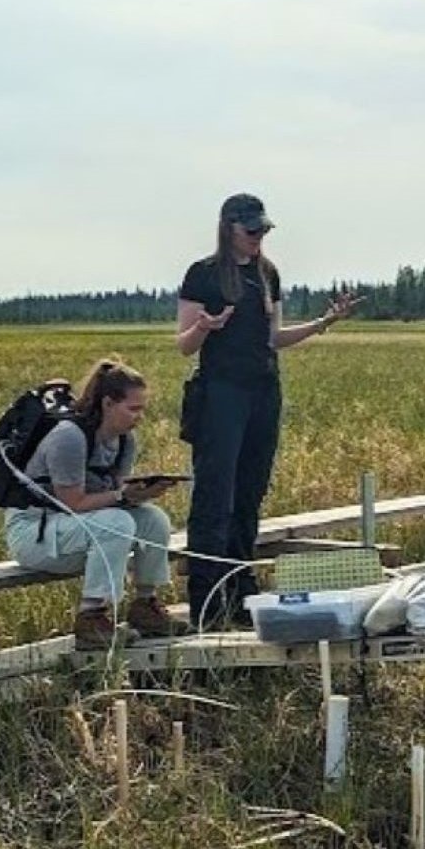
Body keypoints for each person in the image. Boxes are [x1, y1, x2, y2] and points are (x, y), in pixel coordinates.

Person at [176, 193, 360, 627]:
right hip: (220, 393)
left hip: (263, 390)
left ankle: (241, 592)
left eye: (264, 231)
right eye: (251, 231)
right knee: (214, 498)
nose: (258, 238)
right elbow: (183, 344)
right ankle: (207, 602)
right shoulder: (202, 274)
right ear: (229, 228)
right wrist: (204, 326)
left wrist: (323, 323)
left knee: (249, 496)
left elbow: (272, 338)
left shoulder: (267, 273)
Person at [4, 357, 189, 650]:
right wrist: (123, 497)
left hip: (75, 530)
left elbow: (111, 494)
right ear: (107, 404)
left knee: (153, 519)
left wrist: (138, 495)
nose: (139, 417)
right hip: (34, 534)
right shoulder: (69, 437)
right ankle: (91, 618)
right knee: (119, 522)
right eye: (133, 408)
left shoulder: (125, 441)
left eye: (142, 408)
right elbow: (73, 503)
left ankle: (145, 604)